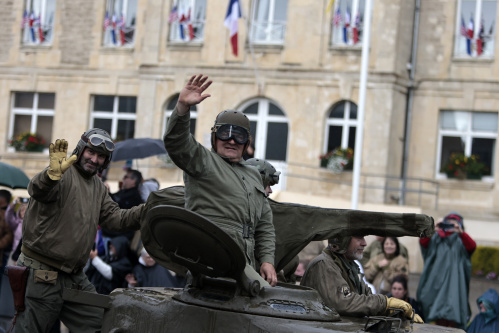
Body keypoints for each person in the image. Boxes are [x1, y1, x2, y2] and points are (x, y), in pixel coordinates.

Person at [15, 129, 144, 332]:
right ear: (81, 149)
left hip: (74, 276)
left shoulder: (98, 188)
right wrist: (51, 175)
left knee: (103, 324)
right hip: (42, 273)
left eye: (101, 156)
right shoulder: (61, 174)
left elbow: (117, 218)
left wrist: (149, 209)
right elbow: (38, 189)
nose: (94, 159)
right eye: (90, 152)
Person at [163, 74, 277, 287]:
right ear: (214, 137)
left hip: (244, 264)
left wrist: (267, 261)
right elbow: (177, 143)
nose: (232, 140)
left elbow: (264, 226)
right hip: (209, 260)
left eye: (239, 136)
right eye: (225, 133)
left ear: (247, 143)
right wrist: (182, 108)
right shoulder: (202, 161)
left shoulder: (253, 175)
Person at [300, 235, 423, 322]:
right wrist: (386, 303)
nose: (364, 243)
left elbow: (366, 297)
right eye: (359, 237)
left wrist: (395, 310)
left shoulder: (351, 265)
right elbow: (344, 303)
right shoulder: (324, 264)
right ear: (342, 240)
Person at [417, 212, 476, 330]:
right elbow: (423, 243)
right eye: (447, 224)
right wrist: (433, 229)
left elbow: (472, 247)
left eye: (453, 224)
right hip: (435, 285)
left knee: (453, 318)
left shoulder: (461, 241)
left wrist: (461, 233)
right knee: (434, 320)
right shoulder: (436, 238)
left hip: (454, 287)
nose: (450, 227)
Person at [5, 197, 28, 263]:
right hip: (14, 254)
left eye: (26, 210)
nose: (23, 212)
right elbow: (8, 217)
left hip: (25, 257)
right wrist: (13, 203)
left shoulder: (31, 226)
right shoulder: (17, 224)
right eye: (22, 210)